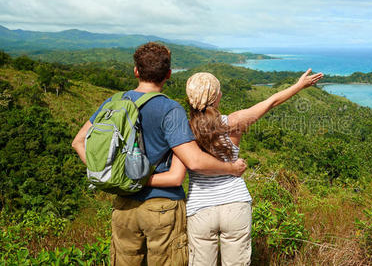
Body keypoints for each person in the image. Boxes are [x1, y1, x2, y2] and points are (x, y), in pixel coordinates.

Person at [71, 42, 247, 265]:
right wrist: (232, 168)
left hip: (124, 206)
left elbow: (79, 142)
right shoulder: (170, 109)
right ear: (169, 74)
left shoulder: (114, 102)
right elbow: (190, 164)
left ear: (136, 71)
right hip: (163, 207)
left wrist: (115, 176)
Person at [149, 69, 323, 265]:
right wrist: (299, 85)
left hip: (200, 208)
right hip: (236, 204)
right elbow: (271, 102)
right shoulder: (234, 122)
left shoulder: (184, 132)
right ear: (216, 98)